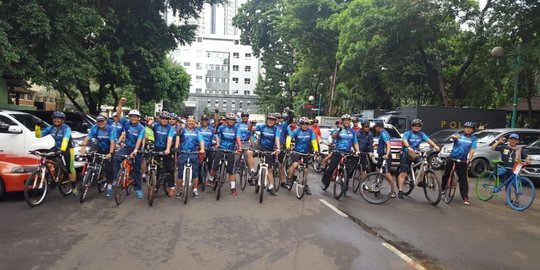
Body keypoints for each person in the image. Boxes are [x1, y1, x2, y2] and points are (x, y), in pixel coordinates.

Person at [34, 111, 78, 195]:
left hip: (68, 148)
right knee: (46, 159)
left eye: (59, 118)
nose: (56, 120)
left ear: (62, 120)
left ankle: (74, 187)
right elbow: (38, 135)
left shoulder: (66, 128)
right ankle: (53, 178)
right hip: (57, 147)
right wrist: (37, 126)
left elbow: (66, 138)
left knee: (70, 167)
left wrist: (62, 150)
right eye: (55, 118)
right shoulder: (51, 128)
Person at [397, 119, 440, 199]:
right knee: (403, 173)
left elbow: (428, 140)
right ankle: (400, 190)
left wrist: (435, 146)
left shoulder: (421, 134)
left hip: (415, 154)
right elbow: (404, 140)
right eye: (415, 125)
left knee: (424, 164)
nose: (416, 127)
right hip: (406, 154)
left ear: (421, 127)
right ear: (412, 126)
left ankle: (421, 181)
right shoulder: (408, 133)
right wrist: (408, 147)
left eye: (418, 126)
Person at [321, 114, 360, 196]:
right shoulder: (338, 130)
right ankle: (325, 182)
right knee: (331, 168)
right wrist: (339, 131)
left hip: (347, 153)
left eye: (348, 120)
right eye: (344, 120)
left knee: (347, 171)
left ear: (350, 122)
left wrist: (357, 151)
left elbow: (355, 142)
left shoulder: (352, 132)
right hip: (338, 151)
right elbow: (333, 136)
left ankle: (344, 190)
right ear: (342, 121)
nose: (346, 122)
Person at [441, 122, 477, 205]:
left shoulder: (473, 138)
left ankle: (465, 197)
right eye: (466, 127)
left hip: (462, 160)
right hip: (452, 157)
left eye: (470, 128)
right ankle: (443, 188)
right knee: (446, 173)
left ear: (473, 130)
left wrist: (469, 158)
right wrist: (454, 137)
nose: (468, 129)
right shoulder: (459, 134)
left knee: (463, 179)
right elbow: (453, 137)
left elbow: (472, 149)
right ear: (464, 128)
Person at [80, 115, 116, 197]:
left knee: (108, 168)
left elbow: (112, 142)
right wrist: (83, 147)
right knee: (90, 156)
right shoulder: (94, 128)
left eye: (102, 121)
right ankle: (90, 173)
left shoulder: (110, 129)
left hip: (109, 148)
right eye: (99, 121)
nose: (101, 123)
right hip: (99, 146)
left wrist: (110, 153)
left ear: (106, 121)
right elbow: (88, 138)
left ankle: (109, 186)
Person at [113, 109, 145, 199]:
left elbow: (139, 140)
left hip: (137, 149)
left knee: (136, 170)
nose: (133, 118)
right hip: (127, 147)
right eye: (131, 116)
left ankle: (138, 189)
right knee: (115, 158)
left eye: (135, 117)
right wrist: (120, 103)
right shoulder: (126, 123)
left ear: (138, 118)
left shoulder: (141, 128)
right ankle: (117, 177)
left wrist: (135, 151)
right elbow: (118, 114)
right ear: (129, 117)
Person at [285, 117, 318, 195]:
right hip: (297, 151)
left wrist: (316, 150)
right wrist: (288, 147)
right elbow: (289, 137)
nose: (305, 125)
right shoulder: (297, 131)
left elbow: (314, 141)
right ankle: (289, 178)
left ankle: (306, 185)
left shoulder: (310, 131)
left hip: (306, 152)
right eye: (303, 124)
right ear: (300, 124)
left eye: (306, 124)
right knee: (295, 164)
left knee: (306, 170)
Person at [209, 113, 241, 196]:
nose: (231, 121)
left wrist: (239, 147)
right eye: (229, 119)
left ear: (235, 121)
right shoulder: (222, 127)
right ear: (226, 120)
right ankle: (211, 179)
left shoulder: (236, 129)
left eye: (233, 120)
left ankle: (233, 188)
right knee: (214, 167)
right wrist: (217, 143)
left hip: (230, 151)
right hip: (221, 149)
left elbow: (238, 138)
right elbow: (216, 135)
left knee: (230, 171)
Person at [146, 111, 176, 197]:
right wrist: (149, 123)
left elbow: (170, 138)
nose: (164, 120)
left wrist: (167, 149)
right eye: (162, 118)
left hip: (166, 149)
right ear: (159, 119)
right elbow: (147, 126)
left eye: (166, 119)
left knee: (169, 169)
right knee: (156, 167)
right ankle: (154, 186)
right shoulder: (156, 125)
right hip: (157, 148)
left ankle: (171, 187)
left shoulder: (171, 128)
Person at [175, 116, 205, 198]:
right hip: (183, 153)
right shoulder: (182, 130)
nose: (191, 122)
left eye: (192, 121)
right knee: (180, 174)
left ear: (194, 122)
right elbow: (178, 137)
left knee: (195, 174)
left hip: (194, 153)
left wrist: (202, 149)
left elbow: (201, 140)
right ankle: (179, 190)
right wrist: (177, 146)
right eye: (189, 121)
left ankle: (195, 190)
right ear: (186, 122)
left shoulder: (197, 131)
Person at [254, 113, 282, 196]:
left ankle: (271, 187)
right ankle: (256, 173)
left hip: (270, 149)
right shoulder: (262, 126)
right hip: (261, 147)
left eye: (273, 120)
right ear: (267, 120)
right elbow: (252, 129)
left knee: (269, 169)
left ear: (275, 121)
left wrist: (278, 148)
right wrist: (251, 125)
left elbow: (277, 139)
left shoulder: (276, 129)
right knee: (251, 153)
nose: (271, 121)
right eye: (269, 120)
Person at [373, 121, 396, 197]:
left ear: (378, 127)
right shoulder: (381, 133)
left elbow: (388, 144)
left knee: (387, 173)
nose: (375, 129)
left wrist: (387, 154)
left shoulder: (384, 134)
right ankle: (377, 185)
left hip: (385, 156)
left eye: (376, 127)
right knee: (378, 170)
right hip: (381, 156)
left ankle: (392, 191)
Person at [235, 111, 256, 184]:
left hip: (246, 143)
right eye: (243, 116)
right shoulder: (237, 124)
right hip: (238, 143)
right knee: (236, 159)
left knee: (248, 161)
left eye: (246, 116)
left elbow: (250, 135)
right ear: (241, 117)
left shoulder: (250, 125)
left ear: (248, 117)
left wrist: (253, 144)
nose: (245, 117)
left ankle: (251, 177)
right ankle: (234, 172)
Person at [276, 108, 295, 184]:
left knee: (280, 164)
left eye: (279, 118)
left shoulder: (283, 125)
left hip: (281, 146)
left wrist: (289, 111)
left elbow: (290, 120)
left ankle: (282, 180)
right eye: (276, 118)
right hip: (270, 147)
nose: (278, 119)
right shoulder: (269, 126)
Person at [197, 115, 215, 185]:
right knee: (199, 165)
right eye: (203, 120)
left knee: (210, 164)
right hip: (200, 149)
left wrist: (216, 143)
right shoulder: (198, 129)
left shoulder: (212, 129)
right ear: (201, 121)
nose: (204, 121)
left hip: (209, 148)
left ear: (208, 121)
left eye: (206, 120)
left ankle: (210, 179)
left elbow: (215, 137)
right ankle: (199, 181)